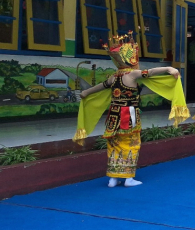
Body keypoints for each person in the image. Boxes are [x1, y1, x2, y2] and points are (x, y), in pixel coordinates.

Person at [75, 32, 185, 188]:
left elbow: (100, 87)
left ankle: (113, 178)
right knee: (131, 144)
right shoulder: (132, 74)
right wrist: (169, 68)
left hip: (113, 116)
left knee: (114, 144)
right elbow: (151, 72)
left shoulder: (114, 77)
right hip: (128, 115)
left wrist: (86, 92)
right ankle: (128, 178)